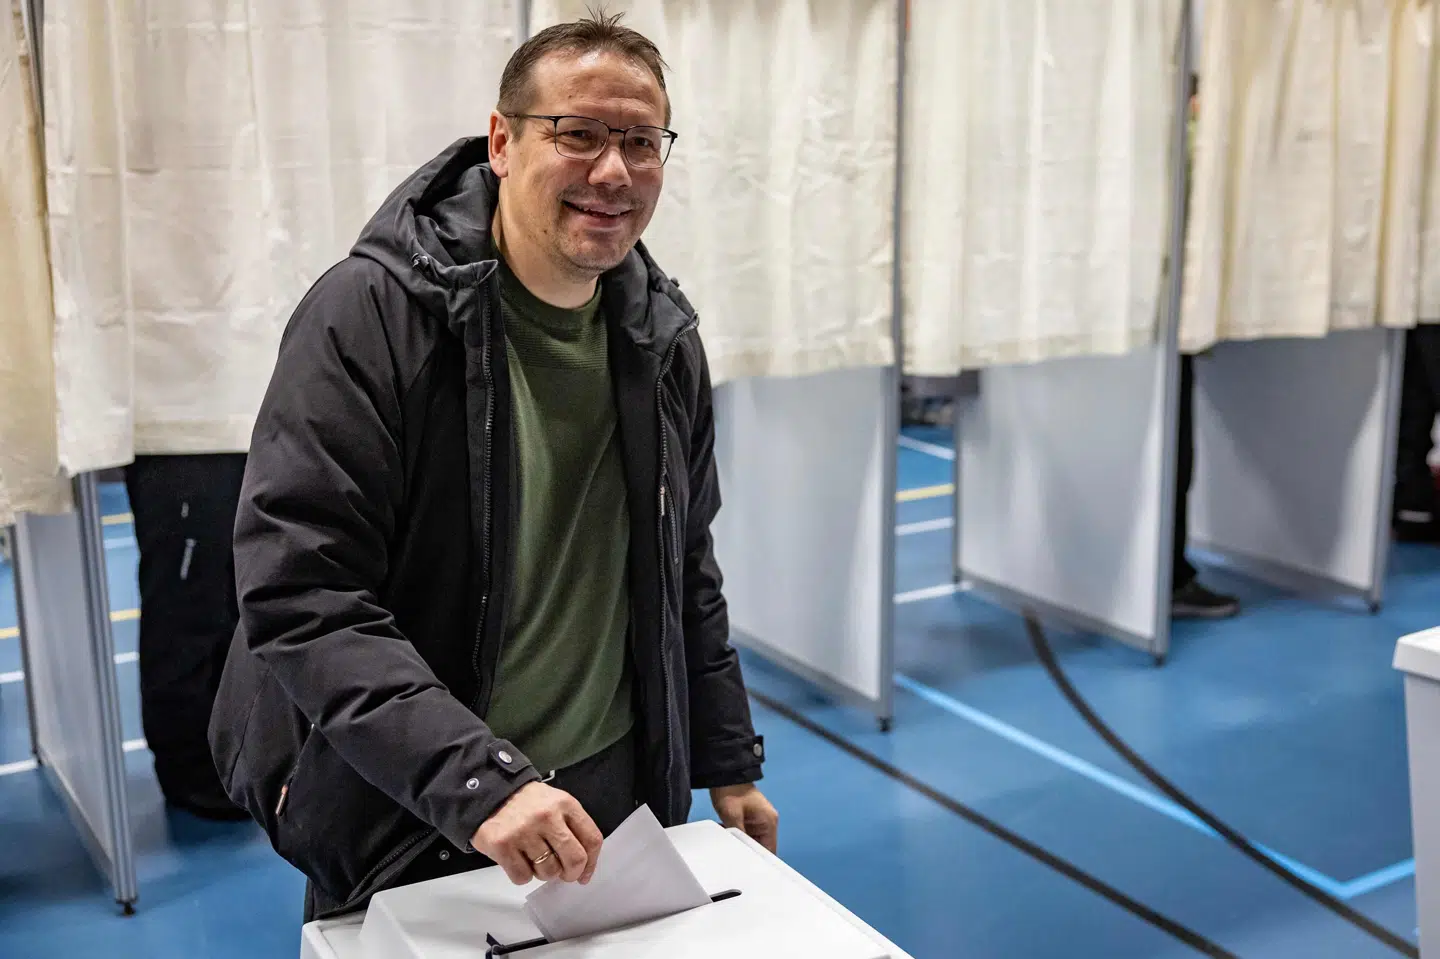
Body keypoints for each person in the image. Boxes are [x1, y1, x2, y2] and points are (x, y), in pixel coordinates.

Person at [208, 11, 777, 921]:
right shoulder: (370, 315)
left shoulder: (661, 338)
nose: (613, 172)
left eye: (641, 141)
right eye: (579, 135)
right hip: (415, 794)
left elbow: (685, 570)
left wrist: (727, 759)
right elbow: (302, 593)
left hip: (612, 793)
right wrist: (479, 782)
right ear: (503, 142)